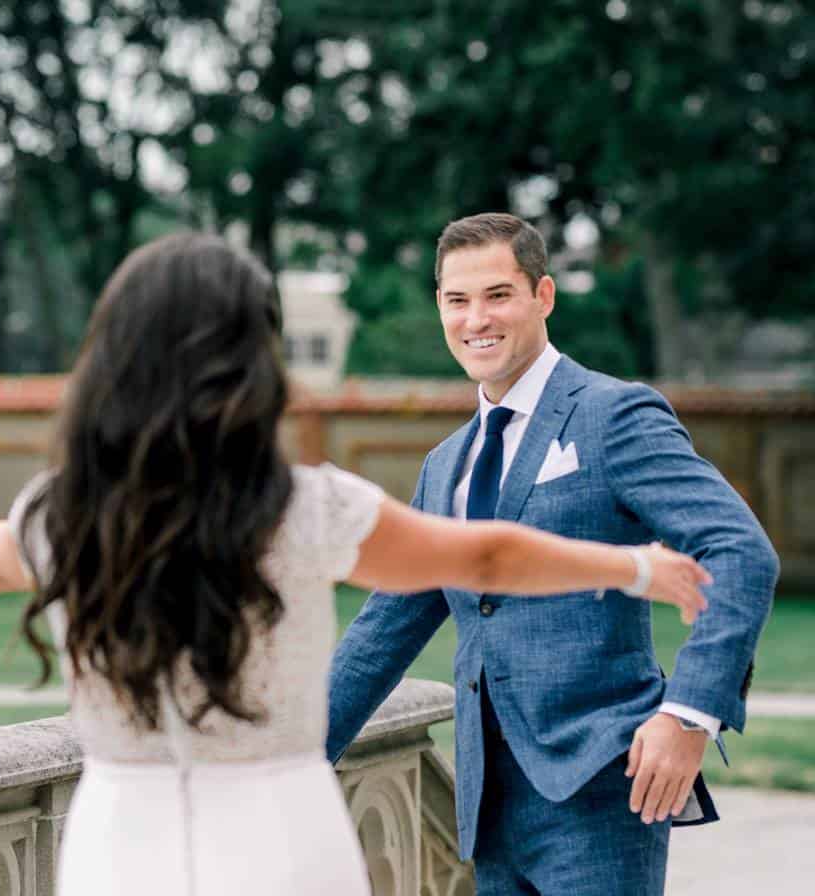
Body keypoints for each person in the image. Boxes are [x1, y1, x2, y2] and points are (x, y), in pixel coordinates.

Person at [0, 231, 713, 896]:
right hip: (281, 832)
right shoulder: (304, 508)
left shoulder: (54, 515)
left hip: (116, 839)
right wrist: (630, 569)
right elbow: (481, 552)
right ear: (253, 361)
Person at [324, 212, 778, 896]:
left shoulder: (611, 415)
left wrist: (688, 714)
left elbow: (741, 551)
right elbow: (381, 633)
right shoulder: (445, 466)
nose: (476, 318)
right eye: (457, 300)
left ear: (543, 296)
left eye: (498, 294)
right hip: (487, 804)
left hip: (600, 787)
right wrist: (286, 761)